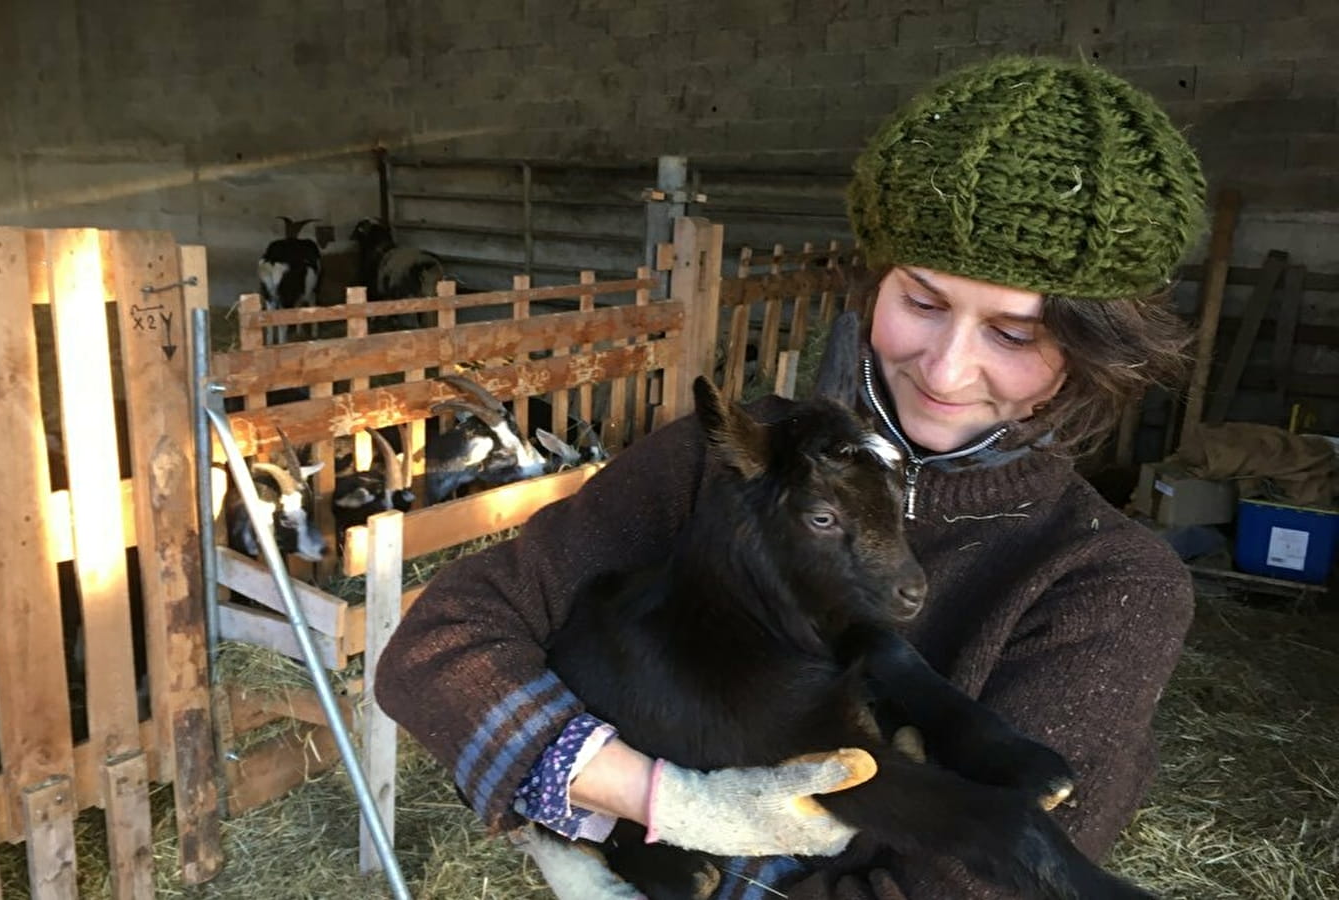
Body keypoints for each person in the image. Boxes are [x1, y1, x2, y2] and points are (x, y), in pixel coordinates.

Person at [375, 53, 1207, 900]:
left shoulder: (1104, 582)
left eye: (1016, 335)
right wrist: (652, 799)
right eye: (921, 302)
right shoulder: (733, 459)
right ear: (874, 279)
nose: (948, 372)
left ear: (1094, 348)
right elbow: (441, 646)